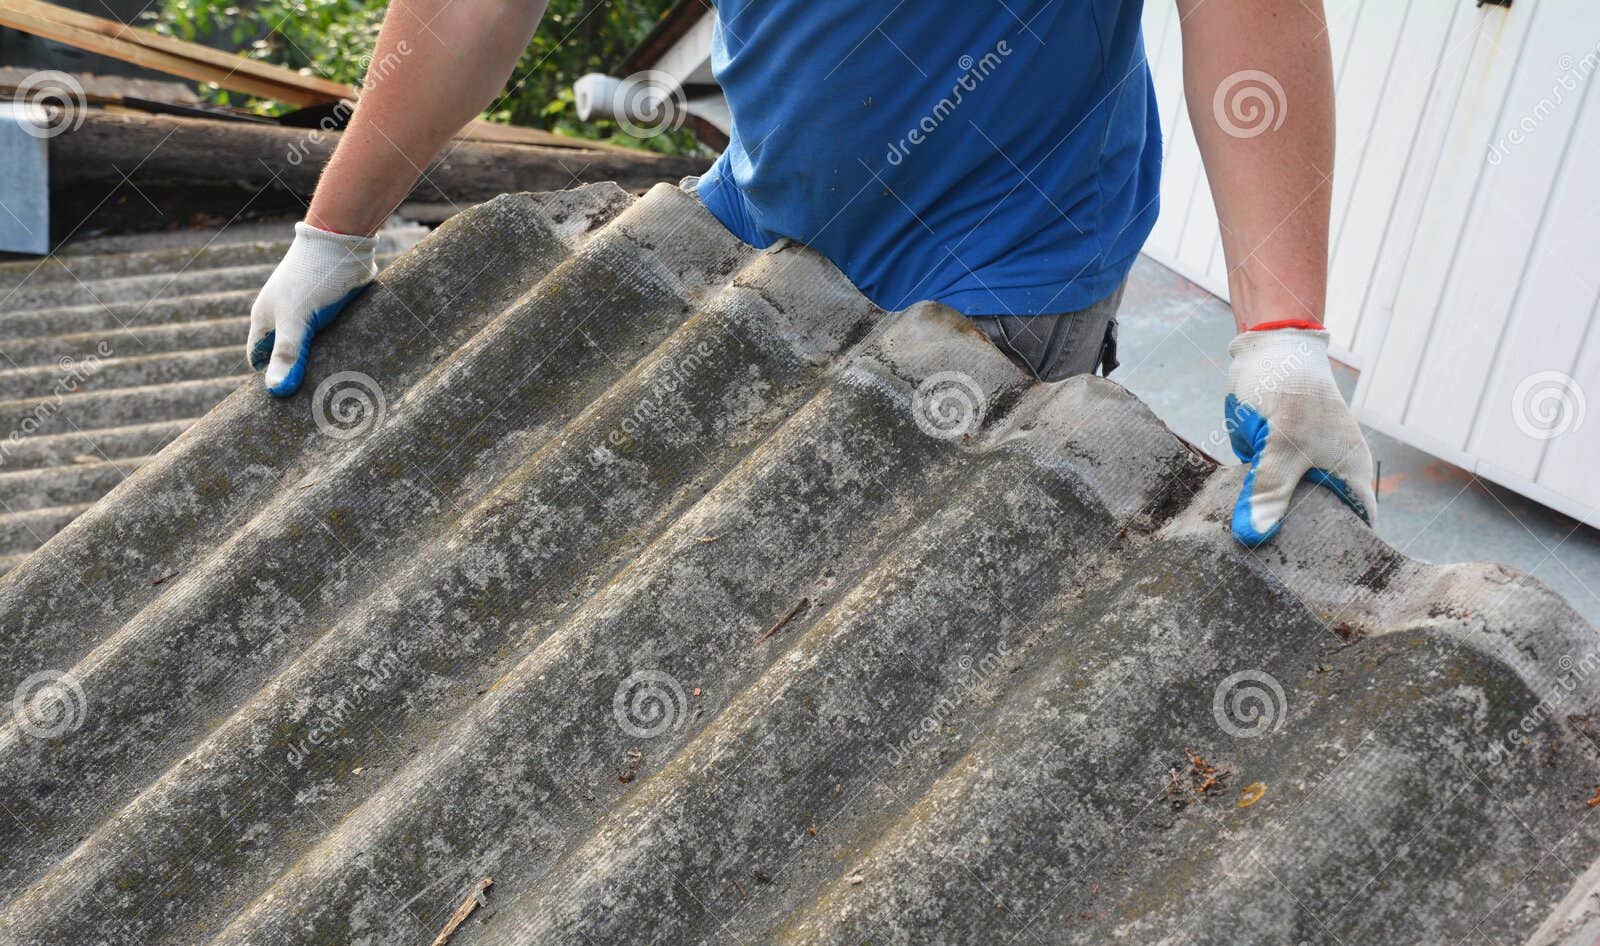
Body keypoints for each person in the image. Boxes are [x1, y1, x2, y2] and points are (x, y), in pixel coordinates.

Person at [248, 0, 1375, 546]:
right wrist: (334, 232)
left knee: (888, 586)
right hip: (767, 205)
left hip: (1007, 254)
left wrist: (1281, 331)